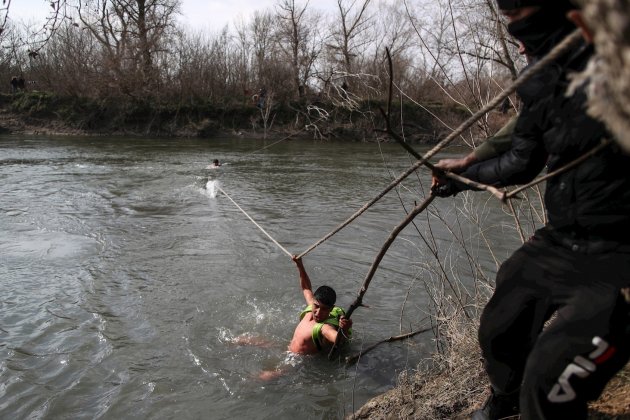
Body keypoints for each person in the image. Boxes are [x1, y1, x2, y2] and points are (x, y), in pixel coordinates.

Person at [432, 1, 630, 419]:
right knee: (498, 331)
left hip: (621, 263)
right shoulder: (539, 82)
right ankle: (504, 400)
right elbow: (522, 159)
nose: (519, 42)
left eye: (520, 19)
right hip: (562, 241)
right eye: (509, 23)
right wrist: (463, 176)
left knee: (547, 385)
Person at [288, 256, 352, 354]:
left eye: (324, 309)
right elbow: (306, 288)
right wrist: (300, 265)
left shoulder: (325, 328)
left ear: (331, 309)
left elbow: (337, 340)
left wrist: (345, 329)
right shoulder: (311, 306)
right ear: (314, 302)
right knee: (257, 340)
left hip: (298, 362)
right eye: (317, 306)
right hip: (288, 350)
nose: (318, 312)